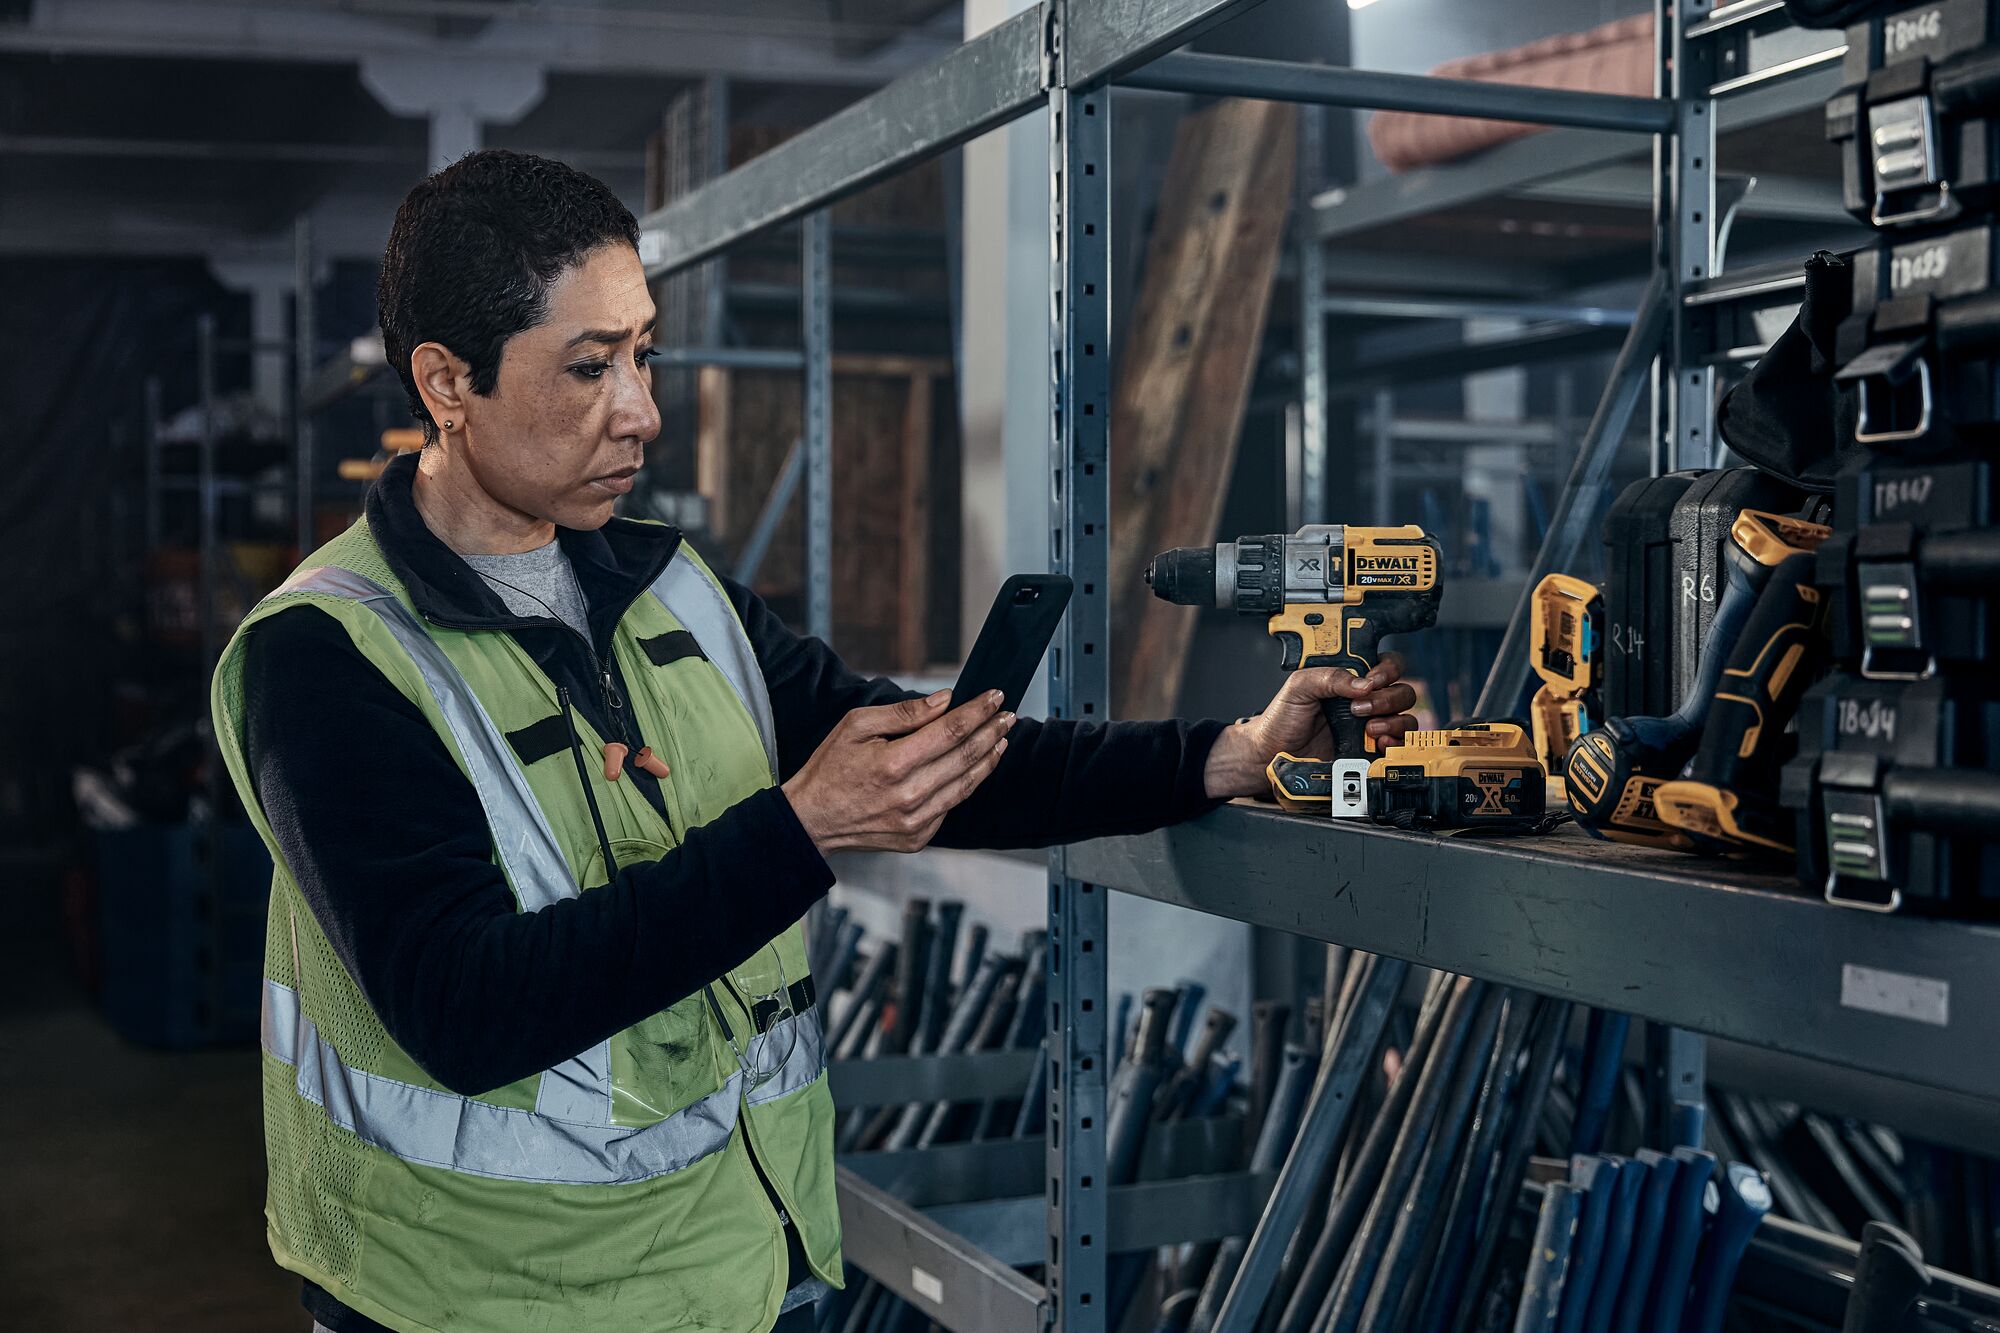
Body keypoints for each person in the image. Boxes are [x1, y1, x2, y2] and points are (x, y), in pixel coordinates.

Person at [210, 149, 1417, 1333]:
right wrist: (803, 827)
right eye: (587, 368)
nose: (642, 413)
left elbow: (921, 754)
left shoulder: (671, 587)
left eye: (644, 354)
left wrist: (1222, 753)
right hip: (477, 1301)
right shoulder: (330, 655)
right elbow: (461, 1008)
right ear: (445, 382)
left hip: (740, 1266)